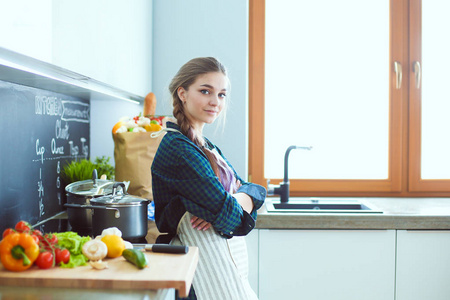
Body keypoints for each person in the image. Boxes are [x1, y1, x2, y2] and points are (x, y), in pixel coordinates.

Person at [151, 57, 266, 300]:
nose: (215, 102)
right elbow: (232, 218)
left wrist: (239, 196)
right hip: (206, 268)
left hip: (225, 265)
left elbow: (254, 190)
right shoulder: (179, 149)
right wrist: (237, 200)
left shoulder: (204, 146)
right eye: (205, 91)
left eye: (222, 94)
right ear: (182, 93)